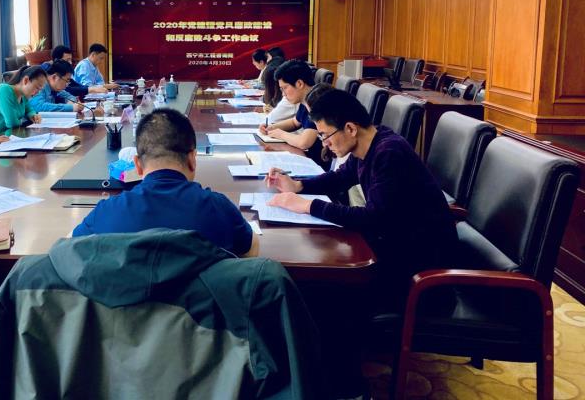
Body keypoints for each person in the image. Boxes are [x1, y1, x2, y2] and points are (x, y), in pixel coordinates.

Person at [266, 88, 457, 300]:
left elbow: (373, 218)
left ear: (350, 128)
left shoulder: (389, 153)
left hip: (417, 269)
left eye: (326, 135)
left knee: (312, 288)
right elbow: (340, 178)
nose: (325, 143)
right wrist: (298, 186)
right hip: (396, 249)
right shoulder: (371, 143)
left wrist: (308, 206)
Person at [73, 108, 259, 257]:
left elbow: (72, 248)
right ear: (192, 158)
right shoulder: (218, 209)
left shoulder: (107, 212)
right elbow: (251, 250)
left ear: (137, 165)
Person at [258, 59, 321, 164]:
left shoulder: (317, 102)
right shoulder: (305, 100)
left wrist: (281, 134)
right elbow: (295, 122)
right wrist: (272, 127)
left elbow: (304, 142)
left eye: (285, 88)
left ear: (299, 84)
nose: (283, 94)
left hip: (318, 163)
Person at [0, 65, 45, 136]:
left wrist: (33, 115)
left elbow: (29, 110)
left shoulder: (23, 95)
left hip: (9, 136)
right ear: (26, 80)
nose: (38, 93)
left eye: (40, 90)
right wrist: (23, 121)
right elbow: (12, 123)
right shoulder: (4, 90)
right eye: (37, 88)